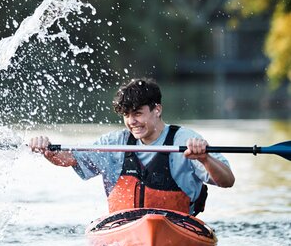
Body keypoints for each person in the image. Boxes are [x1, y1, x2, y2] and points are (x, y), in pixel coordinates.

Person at [29, 78, 234, 215]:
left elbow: (227, 181)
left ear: (157, 110)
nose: (131, 121)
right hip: (123, 229)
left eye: (137, 113)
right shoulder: (113, 143)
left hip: (176, 226)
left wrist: (204, 158)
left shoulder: (186, 140)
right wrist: (47, 150)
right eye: (126, 115)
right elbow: (69, 159)